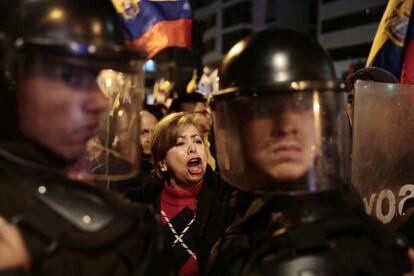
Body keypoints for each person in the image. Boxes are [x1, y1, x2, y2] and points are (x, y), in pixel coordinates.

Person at [207, 28, 410, 275]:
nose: (286, 125)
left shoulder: (351, 231)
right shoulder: (238, 213)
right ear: (235, 123)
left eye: (302, 106)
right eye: (265, 109)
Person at [0, 0, 173, 275]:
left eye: (94, 77)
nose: (100, 102)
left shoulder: (126, 234)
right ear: (8, 78)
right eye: (69, 75)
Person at [133, 112, 233, 276]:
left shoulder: (227, 196)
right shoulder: (139, 203)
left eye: (197, 141)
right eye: (180, 143)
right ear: (162, 163)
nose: (193, 148)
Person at [169, 92, 216, 171]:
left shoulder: (210, 140)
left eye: (198, 142)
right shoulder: (172, 143)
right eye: (203, 112)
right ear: (187, 114)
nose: (209, 116)